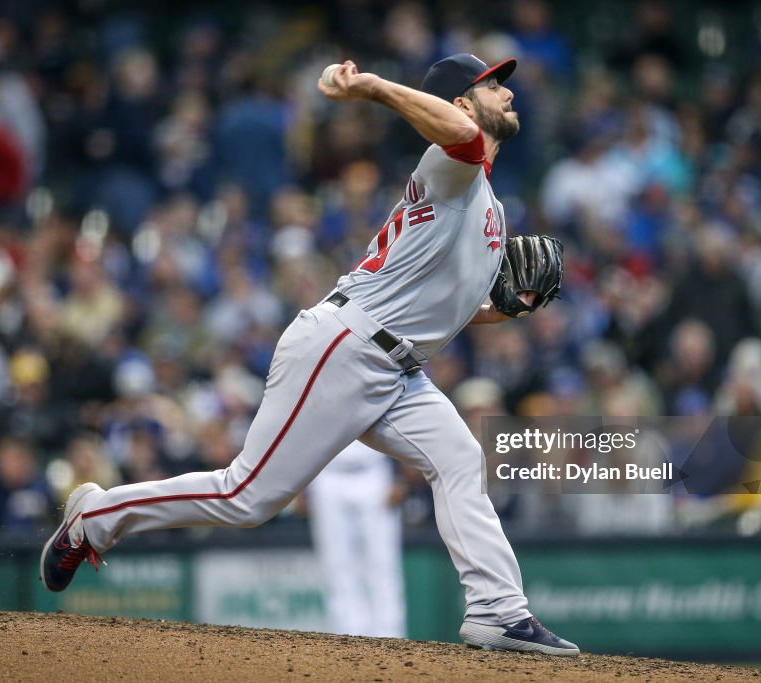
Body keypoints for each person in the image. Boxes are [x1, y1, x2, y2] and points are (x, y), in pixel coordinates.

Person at [40, 53, 579, 656]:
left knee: (457, 460)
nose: (507, 91)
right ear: (459, 104)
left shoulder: (487, 205)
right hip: (344, 347)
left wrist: (512, 306)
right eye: (490, 85)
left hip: (397, 369)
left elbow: (455, 311)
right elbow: (460, 135)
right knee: (244, 498)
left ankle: (498, 613)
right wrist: (373, 87)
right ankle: (95, 516)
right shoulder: (454, 160)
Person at [307, 440, 406, 638]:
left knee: (383, 563)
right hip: (327, 474)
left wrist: (399, 476)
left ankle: (391, 636)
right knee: (336, 564)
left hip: (373, 472)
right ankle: (347, 635)